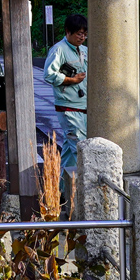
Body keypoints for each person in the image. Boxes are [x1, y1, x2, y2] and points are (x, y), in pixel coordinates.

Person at [43, 13, 88, 174]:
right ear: (68, 32)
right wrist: (71, 80)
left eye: (84, 33)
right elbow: (48, 74)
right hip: (68, 106)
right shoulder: (58, 49)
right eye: (78, 33)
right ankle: (80, 186)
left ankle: (61, 189)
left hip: (83, 106)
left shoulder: (84, 50)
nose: (82, 37)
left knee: (70, 150)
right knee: (80, 147)